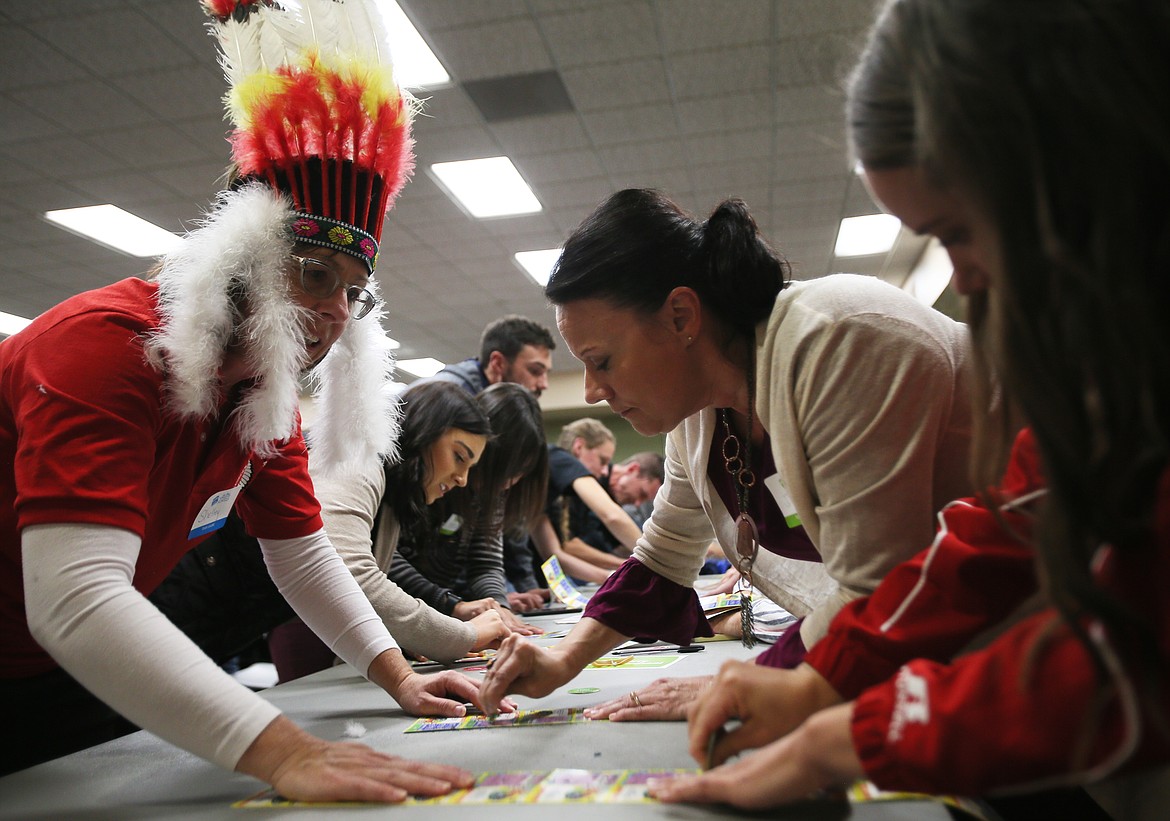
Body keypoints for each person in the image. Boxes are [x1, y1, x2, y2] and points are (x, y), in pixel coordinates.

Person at [648, 0, 1170, 815]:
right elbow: (999, 532)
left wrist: (856, 727)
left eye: (958, 231)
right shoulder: (1113, 359)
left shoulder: (840, 335)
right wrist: (828, 679)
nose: (963, 278)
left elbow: (1131, 650)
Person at [0, 0, 505, 800]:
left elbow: (302, 555)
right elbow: (75, 597)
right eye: (314, 275)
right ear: (246, 259)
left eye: (353, 291)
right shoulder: (103, 345)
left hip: (54, 665)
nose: (338, 310)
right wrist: (284, 751)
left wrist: (398, 675)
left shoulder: (261, 399)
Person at [479, 185, 977, 718]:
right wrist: (560, 660)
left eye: (600, 360)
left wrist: (749, 684)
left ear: (681, 317)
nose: (590, 391)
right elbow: (663, 557)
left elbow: (882, 587)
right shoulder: (696, 415)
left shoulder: (840, 340)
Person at [375, 382, 549, 639]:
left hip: (421, 620)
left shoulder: (484, 492)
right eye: (505, 471)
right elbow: (381, 560)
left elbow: (485, 563)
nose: (509, 483)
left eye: (519, 474)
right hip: (391, 617)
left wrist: (496, 606)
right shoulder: (403, 476)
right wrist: (451, 606)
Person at [530, 419, 648, 581]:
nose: (606, 471)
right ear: (579, 447)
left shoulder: (553, 493)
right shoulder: (558, 457)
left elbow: (553, 553)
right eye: (602, 460)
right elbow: (612, 516)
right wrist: (653, 559)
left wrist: (615, 576)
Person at [430, 314, 556, 397]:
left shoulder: (496, 403)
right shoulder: (444, 398)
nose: (544, 385)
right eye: (535, 371)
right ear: (498, 363)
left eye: (546, 373)